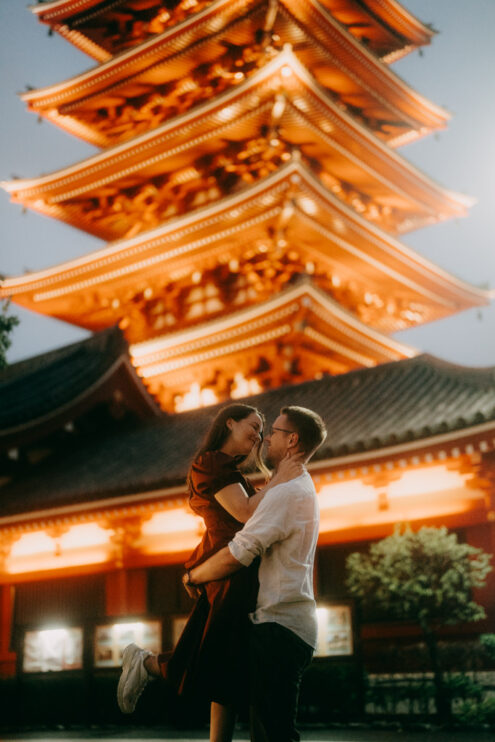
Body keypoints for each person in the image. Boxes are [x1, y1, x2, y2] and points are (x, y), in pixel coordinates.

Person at [117, 402, 303, 742]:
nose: (258, 435)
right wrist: (280, 480)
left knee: (224, 666)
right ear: (228, 423)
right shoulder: (210, 463)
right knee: (212, 659)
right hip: (229, 571)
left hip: (236, 572)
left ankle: (148, 666)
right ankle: (145, 664)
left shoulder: (231, 471)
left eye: (262, 430)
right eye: (252, 425)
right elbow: (246, 513)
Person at [184, 405, 327, 742]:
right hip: (283, 622)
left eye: (273, 432)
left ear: (291, 440)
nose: (264, 440)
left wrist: (192, 575)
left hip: (279, 626)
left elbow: (239, 552)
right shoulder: (294, 486)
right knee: (265, 731)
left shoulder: (287, 491)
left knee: (274, 736)